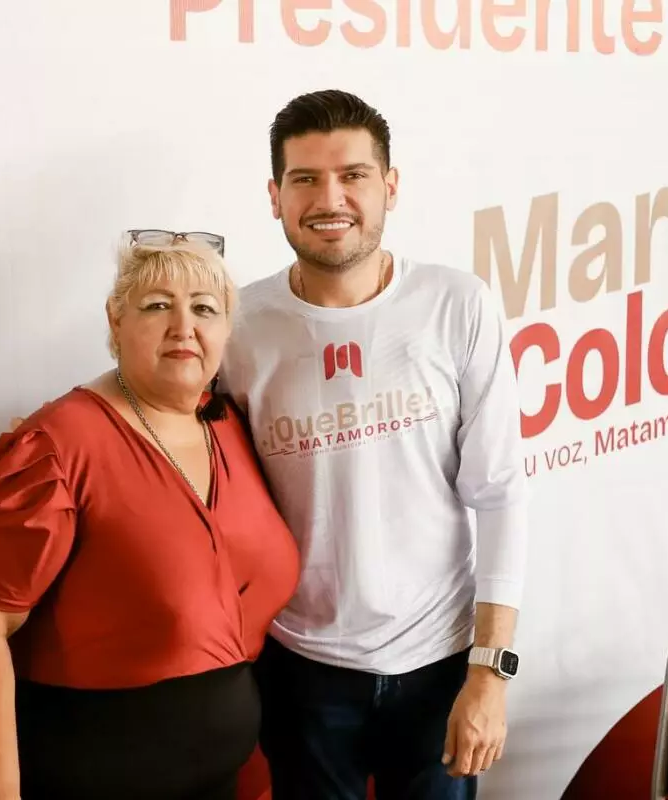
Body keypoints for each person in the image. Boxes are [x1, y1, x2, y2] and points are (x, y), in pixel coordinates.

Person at [215, 89, 530, 800]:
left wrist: (490, 673)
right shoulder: (237, 324)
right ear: (275, 196)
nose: (331, 199)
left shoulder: (457, 304)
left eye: (353, 175)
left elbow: (500, 494)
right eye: (305, 178)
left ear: (390, 185)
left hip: (442, 660)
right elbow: (166, 411)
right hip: (300, 666)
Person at [0, 231, 301, 800]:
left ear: (227, 329)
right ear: (115, 319)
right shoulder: (58, 446)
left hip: (229, 780)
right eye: (157, 305)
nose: (183, 326)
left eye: (204, 309)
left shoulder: (232, 424)